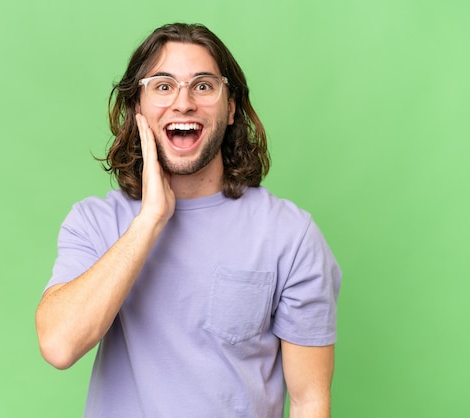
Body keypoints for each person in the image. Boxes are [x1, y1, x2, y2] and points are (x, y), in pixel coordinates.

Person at [36, 22, 342, 418]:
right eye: (163, 86)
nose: (183, 103)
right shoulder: (94, 222)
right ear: (137, 109)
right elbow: (59, 346)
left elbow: (309, 402)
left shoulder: (291, 236)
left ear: (230, 108)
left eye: (202, 85)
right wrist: (150, 219)